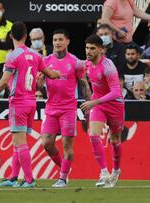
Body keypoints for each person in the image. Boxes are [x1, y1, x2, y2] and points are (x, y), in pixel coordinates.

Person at [0, 21, 60, 188]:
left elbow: (4, 82)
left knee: (20, 142)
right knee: (17, 141)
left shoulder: (12, 56)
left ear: (11, 36)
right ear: (26, 36)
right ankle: (13, 178)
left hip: (18, 102)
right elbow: (51, 75)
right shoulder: (36, 55)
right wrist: (58, 73)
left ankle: (30, 180)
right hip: (31, 102)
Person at [39, 29, 87, 188]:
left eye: (60, 39)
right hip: (51, 108)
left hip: (68, 108)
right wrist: (39, 82)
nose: (57, 43)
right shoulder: (45, 61)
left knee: (67, 145)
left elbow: (84, 83)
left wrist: (90, 104)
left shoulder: (75, 62)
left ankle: (62, 178)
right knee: (47, 143)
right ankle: (64, 170)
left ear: (67, 41)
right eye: (55, 40)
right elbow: (38, 85)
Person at [80, 34, 124, 188]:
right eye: (87, 48)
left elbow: (116, 92)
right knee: (93, 135)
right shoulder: (86, 64)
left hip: (115, 105)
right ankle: (104, 173)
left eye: (92, 48)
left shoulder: (108, 66)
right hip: (98, 104)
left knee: (115, 140)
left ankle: (116, 171)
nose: (88, 51)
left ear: (101, 50)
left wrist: (94, 101)